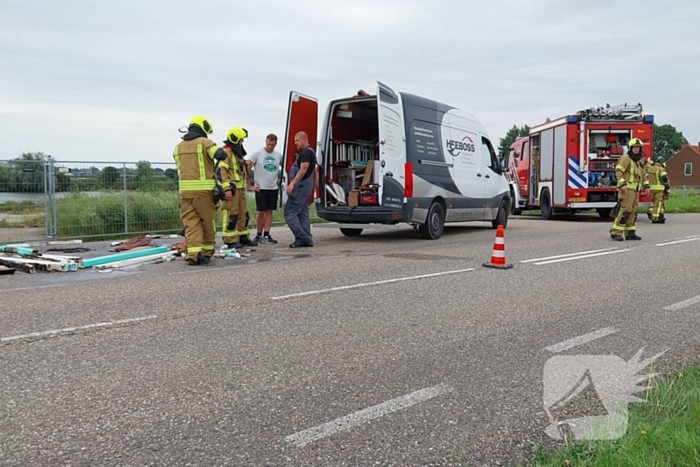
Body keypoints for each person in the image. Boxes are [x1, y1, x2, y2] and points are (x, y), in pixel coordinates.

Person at [173, 115, 228, 265]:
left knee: (191, 224)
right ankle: (206, 251)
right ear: (203, 128)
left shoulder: (178, 147)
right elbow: (220, 154)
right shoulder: (205, 143)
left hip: (185, 194)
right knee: (207, 223)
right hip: (204, 193)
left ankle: (193, 254)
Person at [220, 126, 258, 248]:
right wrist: (226, 188)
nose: (242, 142)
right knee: (231, 214)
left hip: (240, 189)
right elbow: (221, 170)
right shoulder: (226, 152)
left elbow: (239, 169)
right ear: (235, 139)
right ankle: (230, 239)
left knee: (243, 214)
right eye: (241, 140)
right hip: (231, 189)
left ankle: (243, 237)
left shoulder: (237, 153)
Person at [247, 134, 283, 243]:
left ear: (276, 144)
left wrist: (281, 179)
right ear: (265, 142)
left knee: (269, 211)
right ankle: (258, 234)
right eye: (268, 144)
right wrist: (249, 185)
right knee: (260, 212)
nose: (270, 147)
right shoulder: (257, 154)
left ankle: (267, 234)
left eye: (272, 145)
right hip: (260, 187)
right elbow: (246, 169)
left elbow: (285, 167)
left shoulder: (278, 155)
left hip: (272, 187)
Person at [610, 138, 647, 241]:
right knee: (624, 211)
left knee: (633, 212)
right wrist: (622, 184)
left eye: (638, 148)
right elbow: (618, 171)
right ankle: (616, 232)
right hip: (627, 190)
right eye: (635, 147)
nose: (636, 149)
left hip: (636, 190)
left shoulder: (639, 161)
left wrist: (646, 186)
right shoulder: (626, 158)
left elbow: (643, 175)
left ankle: (630, 233)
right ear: (630, 148)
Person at [284, 131, 316, 248]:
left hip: (300, 188)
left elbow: (303, 169)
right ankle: (307, 238)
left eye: (297, 140)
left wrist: (292, 184)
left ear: (304, 139)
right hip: (305, 188)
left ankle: (301, 238)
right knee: (302, 214)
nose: (295, 143)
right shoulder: (310, 152)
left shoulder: (306, 152)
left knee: (289, 213)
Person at [645, 156, 670, 223]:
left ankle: (651, 212)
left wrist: (649, 162)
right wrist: (667, 186)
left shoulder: (649, 168)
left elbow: (646, 166)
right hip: (659, 189)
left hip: (651, 189)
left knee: (654, 203)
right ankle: (656, 218)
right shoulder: (661, 169)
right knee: (658, 203)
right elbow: (664, 178)